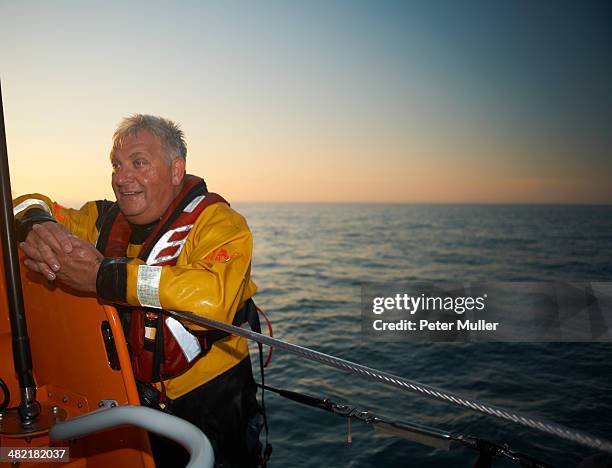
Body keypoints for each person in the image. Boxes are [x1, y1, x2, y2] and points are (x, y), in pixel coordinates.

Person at [13, 114, 267, 467]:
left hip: (213, 401)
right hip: (128, 398)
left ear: (176, 170)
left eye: (138, 163)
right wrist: (35, 224)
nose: (121, 177)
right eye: (116, 165)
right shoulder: (99, 220)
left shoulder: (220, 224)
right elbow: (26, 201)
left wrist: (105, 278)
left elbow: (212, 300)